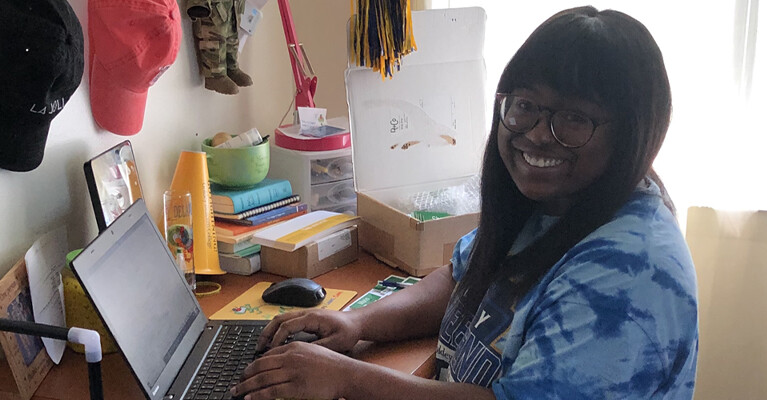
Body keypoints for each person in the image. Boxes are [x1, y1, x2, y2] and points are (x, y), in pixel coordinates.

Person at [231, 6, 699, 400]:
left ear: (633, 134)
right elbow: (459, 277)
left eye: (574, 119)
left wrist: (347, 378)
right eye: (525, 105)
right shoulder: (553, 202)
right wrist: (356, 323)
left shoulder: (630, 273)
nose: (536, 132)